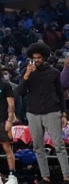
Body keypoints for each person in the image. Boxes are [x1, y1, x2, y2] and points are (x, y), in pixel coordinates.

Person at [16, 42, 69, 184]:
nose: (36, 60)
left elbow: (60, 94)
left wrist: (63, 114)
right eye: (34, 58)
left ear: (44, 57)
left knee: (59, 145)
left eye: (39, 57)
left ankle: (66, 177)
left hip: (52, 111)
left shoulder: (54, 72)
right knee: (38, 147)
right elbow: (19, 92)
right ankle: (45, 177)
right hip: (33, 113)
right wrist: (27, 75)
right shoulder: (26, 71)